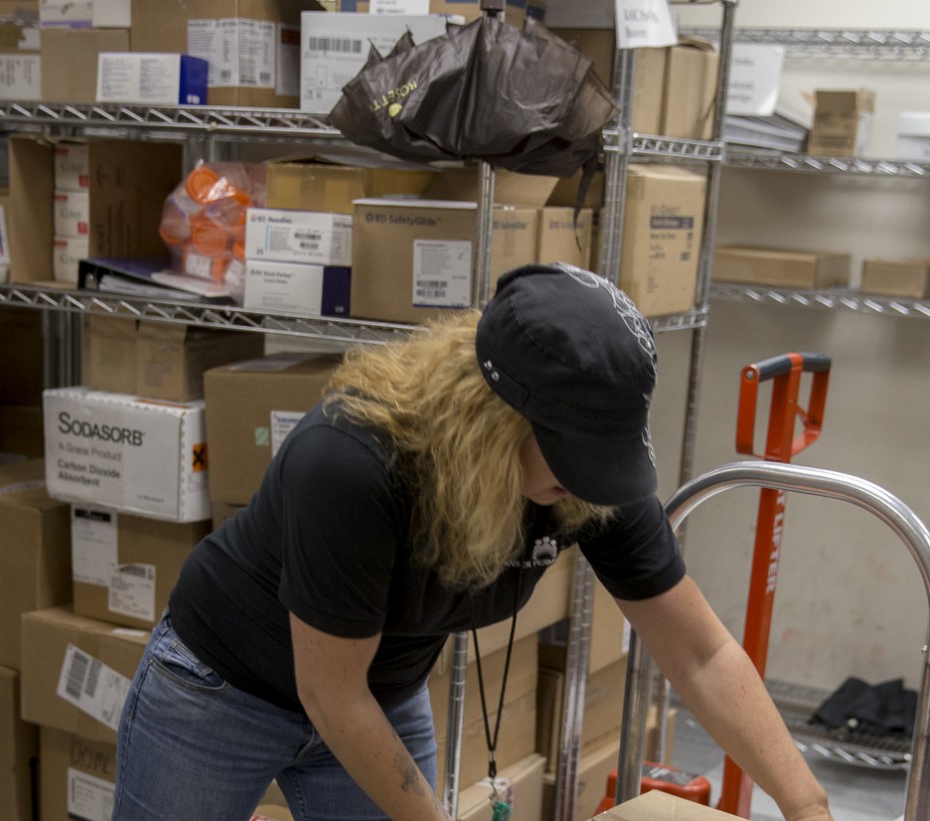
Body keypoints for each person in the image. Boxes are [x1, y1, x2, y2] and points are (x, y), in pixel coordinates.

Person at [109, 264, 835, 821]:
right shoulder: (354, 460)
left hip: (378, 695)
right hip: (221, 690)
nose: (589, 481)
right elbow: (329, 692)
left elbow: (700, 653)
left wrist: (805, 804)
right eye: (573, 456)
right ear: (490, 423)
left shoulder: (585, 479)